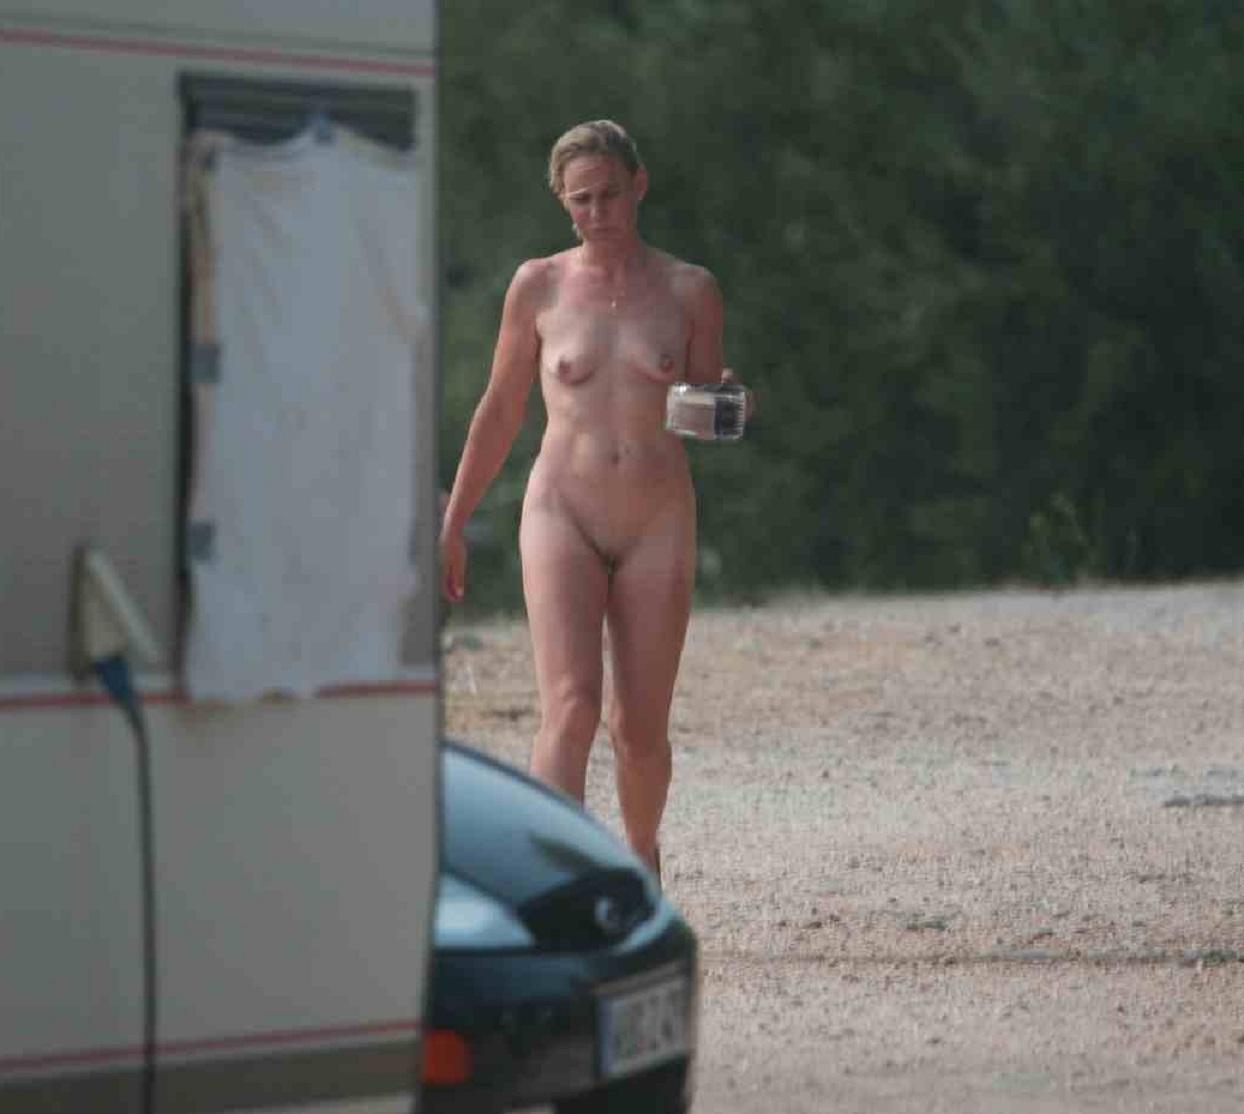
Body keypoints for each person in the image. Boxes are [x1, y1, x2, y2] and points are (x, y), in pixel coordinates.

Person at [439, 120, 747, 880]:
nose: (597, 212)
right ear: (561, 202)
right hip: (561, 511)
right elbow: (501, 408)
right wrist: (453, 521)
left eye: (609, 194)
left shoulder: (689, 289)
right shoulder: (537, 285)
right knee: (570, 708)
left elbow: (705, 401)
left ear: (638, 186)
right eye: (581, 199)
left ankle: (640, 860)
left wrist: (730, 401)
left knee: (637, 731)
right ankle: (557, 888)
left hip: (655, 517)